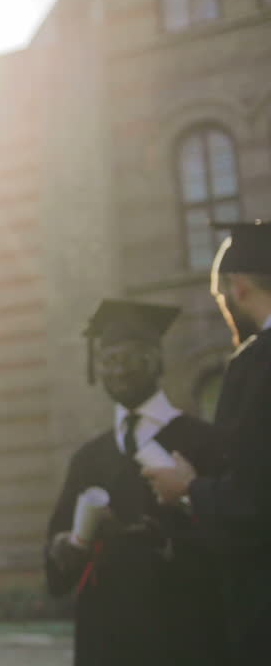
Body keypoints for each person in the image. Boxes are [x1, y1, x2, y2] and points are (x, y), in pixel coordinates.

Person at [46, 299, 226, 666]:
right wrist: (64, 550)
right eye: (109, 360)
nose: (119, 370)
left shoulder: (204, 442)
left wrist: (162, 542)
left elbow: (231, 540)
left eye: (131, 357)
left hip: (182, 639)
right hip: (103, 643)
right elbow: (56, 569)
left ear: (157, 360)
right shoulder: (88, 458)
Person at [145, 221, 271, 664]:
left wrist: (188, 488)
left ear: (238, 287)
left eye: (220, 297)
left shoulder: (256, 365)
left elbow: (255, 501)